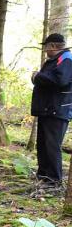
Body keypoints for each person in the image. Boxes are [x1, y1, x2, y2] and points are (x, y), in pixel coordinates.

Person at [31, 33, 72, 186]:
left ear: (53, 46)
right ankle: (43, 175)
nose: (45, 51)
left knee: (52, 145)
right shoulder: (55, 60)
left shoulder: (66, 59)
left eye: (47, 47)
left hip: (57, 110)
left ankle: (54, 179)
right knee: (42, 144)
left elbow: (61, 80)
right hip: (46, 110)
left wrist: (37, 77)